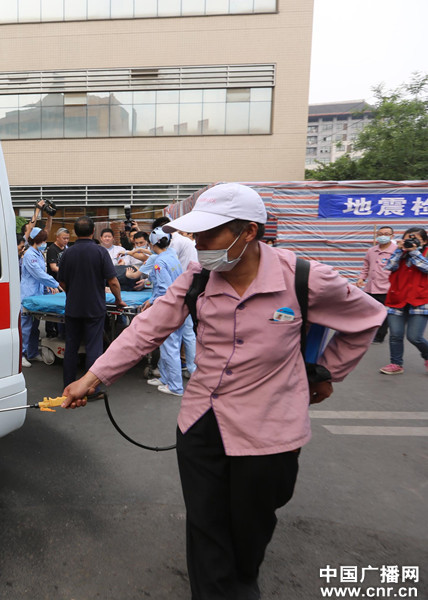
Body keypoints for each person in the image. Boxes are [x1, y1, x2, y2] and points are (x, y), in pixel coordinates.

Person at [60, 183, 385, 600]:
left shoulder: (302, 277)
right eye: (194, 235)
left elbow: (367, 317)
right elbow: (148, 328)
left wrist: (323, 372)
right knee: (206, 525)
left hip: (270, 433)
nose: (197, 244)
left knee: (251, 527)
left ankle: (243, 578)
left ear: (248, 232)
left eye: (209, 235)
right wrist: (92, 378)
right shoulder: (197, 278)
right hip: (201, 424)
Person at [57, 216, 126, 390]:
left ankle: (68, 385)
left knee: (71, 347)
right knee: (94, 347)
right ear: (93, 231)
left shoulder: (67, 253)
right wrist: (118, 300)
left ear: (74, 232)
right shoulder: (100, 252)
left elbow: (62, 282)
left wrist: (72, 293)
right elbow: (113, 281)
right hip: (94, 308)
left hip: (73, 307)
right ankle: (91, 389)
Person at [139, 227, 196, 396]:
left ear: (152, 243)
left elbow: (163, 290)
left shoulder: (160, 262)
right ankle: (165, 378)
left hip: (169, 307)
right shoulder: (171, 255)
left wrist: (151, 301)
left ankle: (175, 386)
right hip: (180, 303)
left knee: (169, 346)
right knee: (170, 344)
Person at [379, 227, 428, 375]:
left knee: (415, 336)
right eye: (408, 239)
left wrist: (414, 251)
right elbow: (389, 266)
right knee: (395, 335)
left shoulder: (424, 253)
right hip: (397, 298)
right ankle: (396, 364)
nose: (411, 242)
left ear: (425, 241)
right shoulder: (400, 253)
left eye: (416, 240)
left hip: (420, 299)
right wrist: (400, 251)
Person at [20, 227, 62, 368]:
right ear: (37, 240)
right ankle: (22, 355)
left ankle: (32, 352)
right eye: (43, 240)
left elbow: (41, 277)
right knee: (25, 327)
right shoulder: (29, 255)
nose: (45, 242)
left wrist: (49, 288)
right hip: (28, 295)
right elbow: (39, 274)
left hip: (37, 295)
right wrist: (57, 284)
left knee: (34, 327)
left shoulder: (38, 253)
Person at [355, 225, 396, 343]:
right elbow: (366, 266)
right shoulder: (371, 251)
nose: (383, 236)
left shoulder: (396, 251)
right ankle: (367, 333)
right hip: (370, 288)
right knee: (368, 311)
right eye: (380, 234)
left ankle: (380, 336)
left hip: (387, 288)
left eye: (386, 234)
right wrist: (361, 278)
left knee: (383, 313)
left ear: (392, 236)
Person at [45, 227, 70, 338]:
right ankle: (50, 331)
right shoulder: (52, 249)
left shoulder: (66, 249)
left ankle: (60, 332)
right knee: (52, 309)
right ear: (57, 237)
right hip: (54, 283)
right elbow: (53, 267)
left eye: (67, 238)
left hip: (64, 282)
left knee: (61, 308)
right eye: (64, 238)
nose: (66, 240)